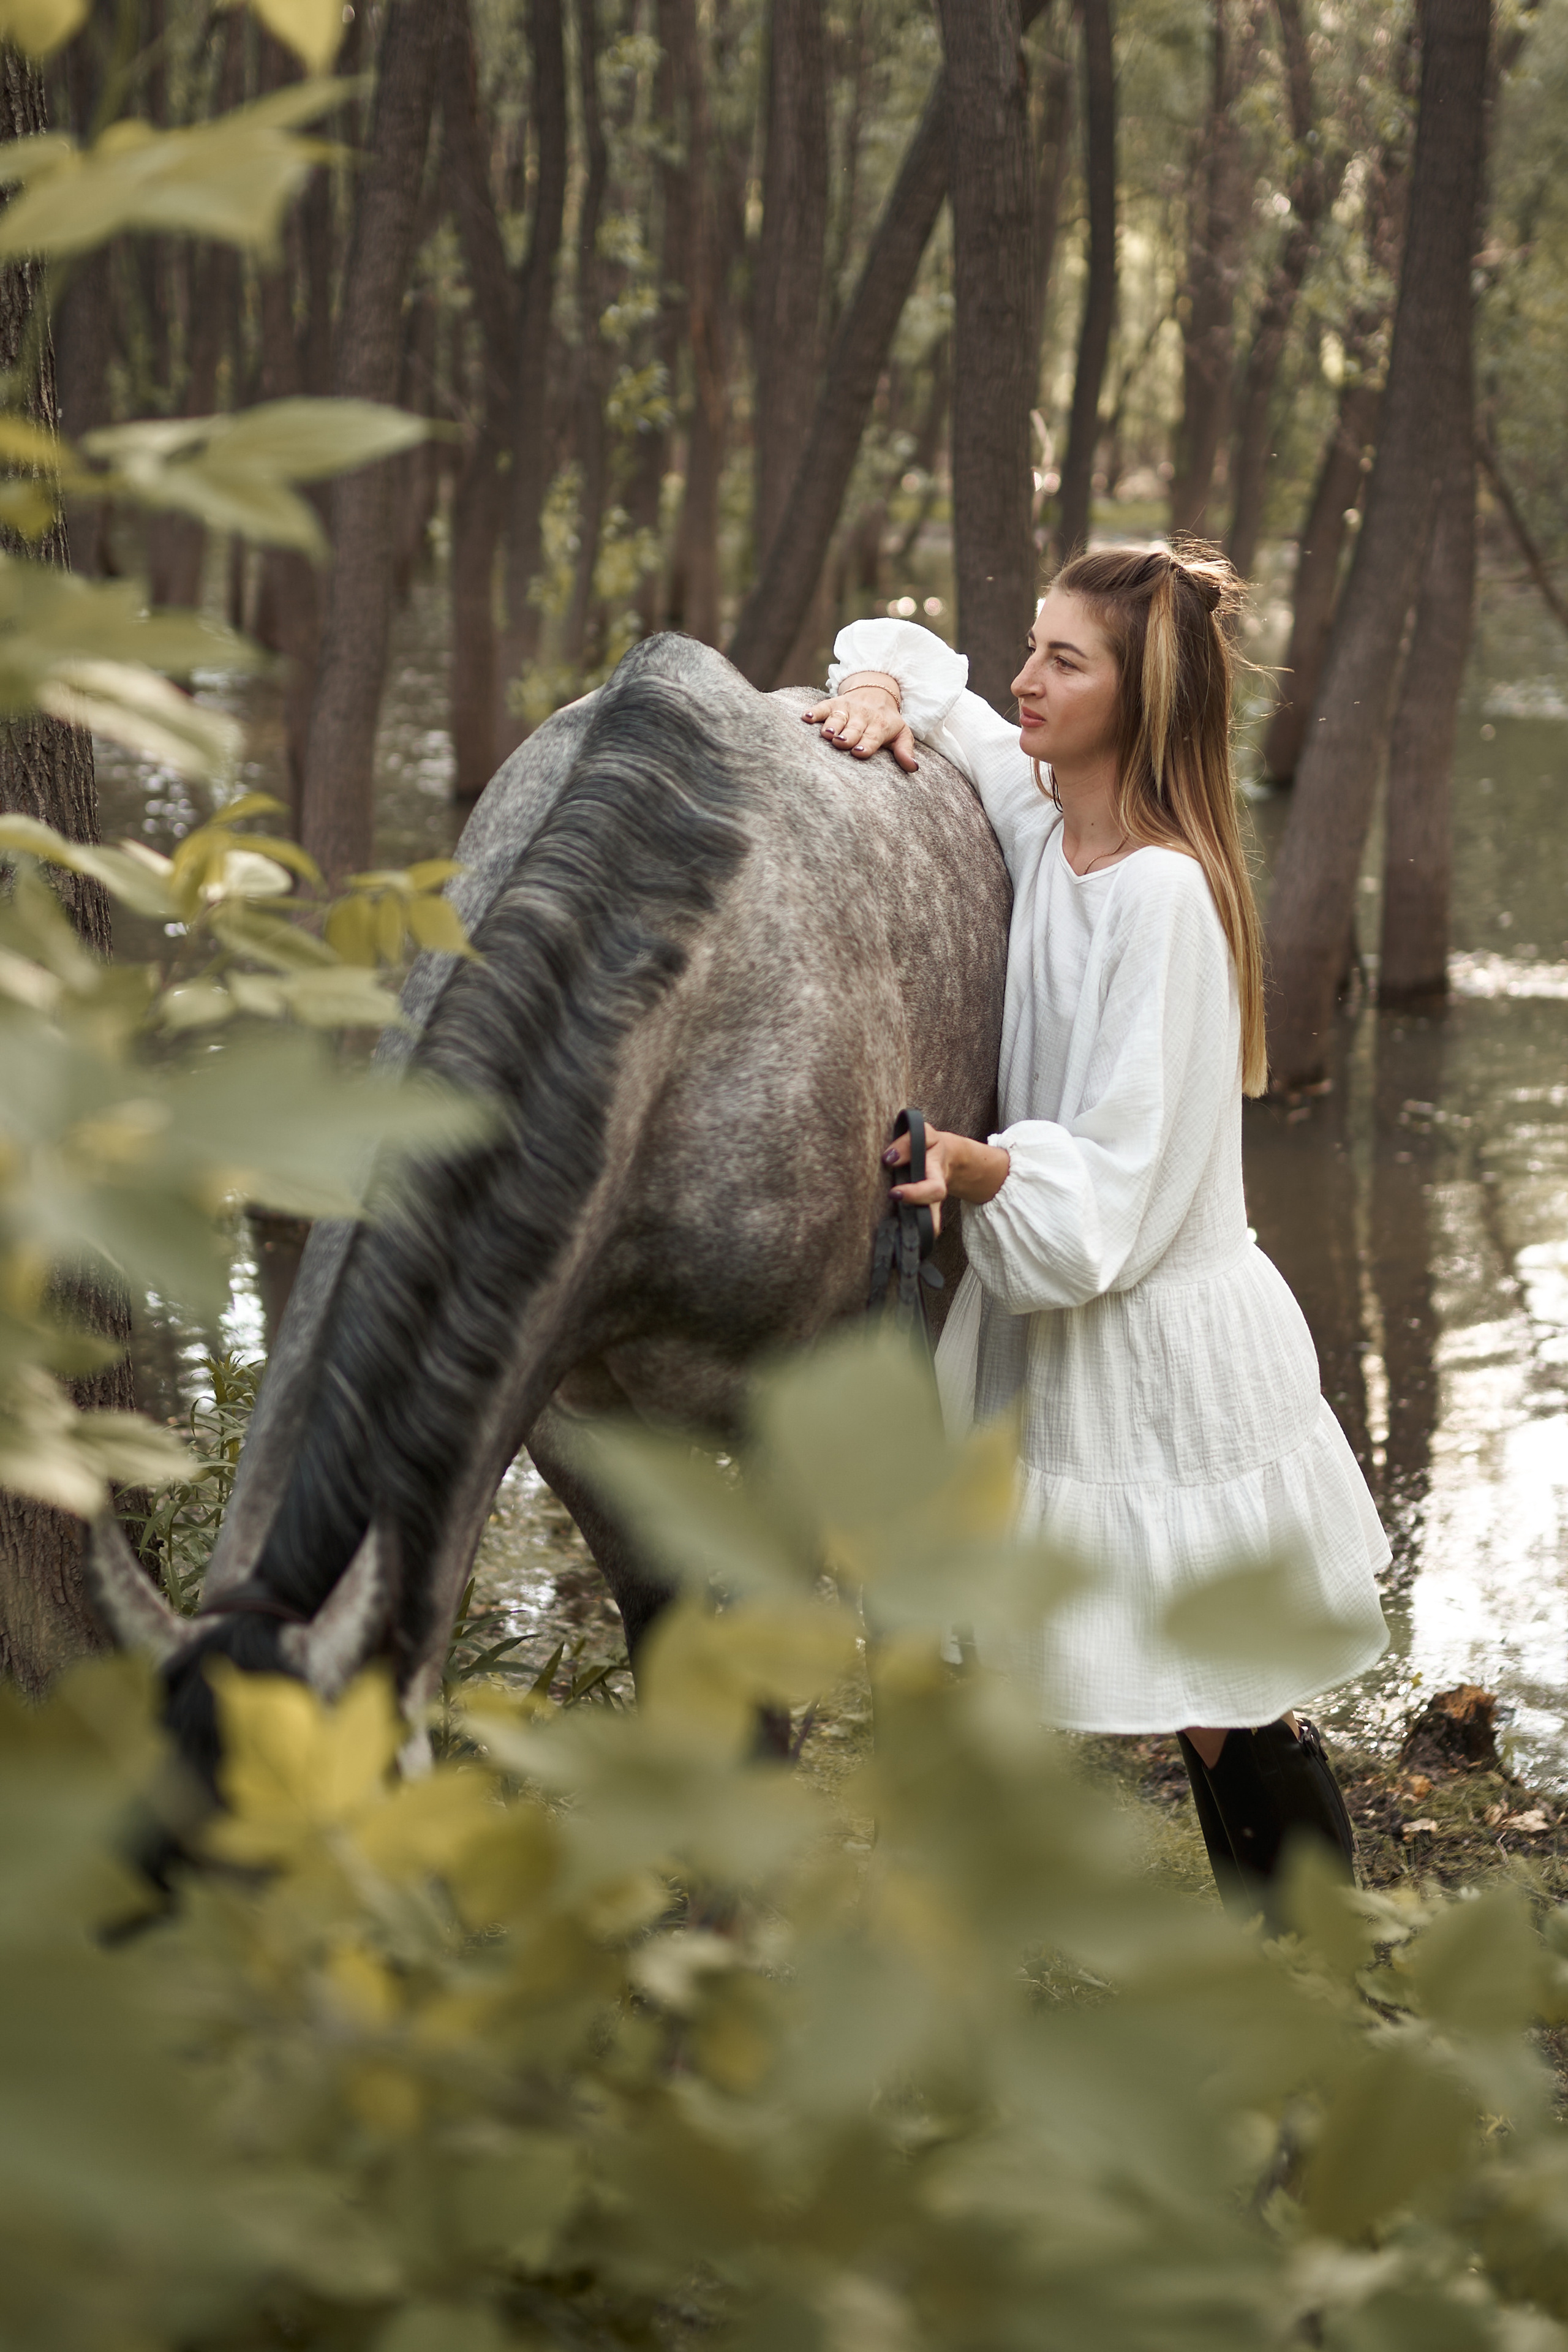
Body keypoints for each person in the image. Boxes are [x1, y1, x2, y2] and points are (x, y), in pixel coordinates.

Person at [805, 541, 1389, 1922]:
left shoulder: (1163, 897)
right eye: (1031, 645)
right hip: (1059, 1328)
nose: (1024, 678)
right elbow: (917, 661)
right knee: (1090, 1683)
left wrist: (972, 1164)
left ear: (1139, 700)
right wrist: (879, 681)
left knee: (1220, 1707)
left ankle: (1314, 1976)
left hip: (1155, 1342)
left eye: (1064, 661)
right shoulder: (1036, 810)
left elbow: (1115, 1190)